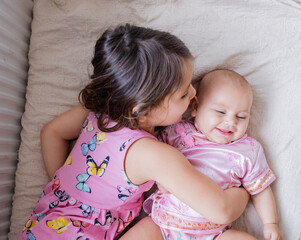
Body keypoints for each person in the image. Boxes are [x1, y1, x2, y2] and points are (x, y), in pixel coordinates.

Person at [18, 24, 250, 240]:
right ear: (143, 110)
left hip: (47, 223)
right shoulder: (154, 155)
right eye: (182, 95)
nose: (193, 93)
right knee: (161, 226)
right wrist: (244, 191)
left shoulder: (103, 105)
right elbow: (222, 211)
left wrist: (66, 188)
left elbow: (52, 132)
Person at [124, 69, 281, 240]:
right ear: (196, 107)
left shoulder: (248, 150)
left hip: (214, 234)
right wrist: (160, 179)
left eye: (241, 117)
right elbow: (153, 154)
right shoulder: (177, 131)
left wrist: (270, 223)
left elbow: (260, 189)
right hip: (163, 224)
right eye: (220, 112)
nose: (231, 122)